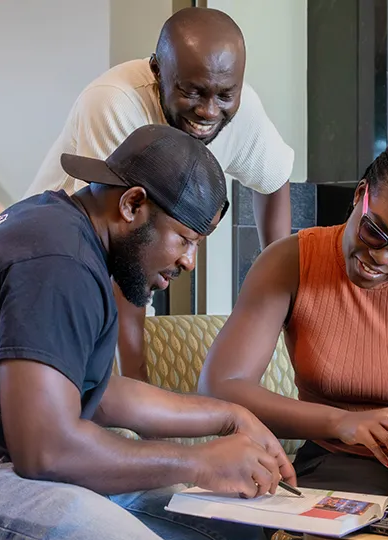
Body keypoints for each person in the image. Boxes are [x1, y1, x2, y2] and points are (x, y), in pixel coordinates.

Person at [0, 124, 296, 540]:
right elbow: (48, 449)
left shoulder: (62, 230)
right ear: (132, 204)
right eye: (184, 239)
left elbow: (96, 393)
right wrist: (200, 463)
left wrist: (229, 416)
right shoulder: (58, 259)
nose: (189, 263)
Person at [199, 137, 388, 503]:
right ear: (359, 196)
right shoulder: (290, 262)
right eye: (374, 231)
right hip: (336, 460)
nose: (381, 258)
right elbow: (220, 385)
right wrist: (341, 423)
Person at [26, 6, 294, 383]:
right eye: (192, 92)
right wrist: (141, 394)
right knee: (91, 395)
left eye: (224, 95)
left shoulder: (239, 105)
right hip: (59, 263)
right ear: (157, 71)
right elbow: (123, 242)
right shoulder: (114, 102)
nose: (208, 111)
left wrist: (275, 292)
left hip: (131, 260)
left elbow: (274, 177)